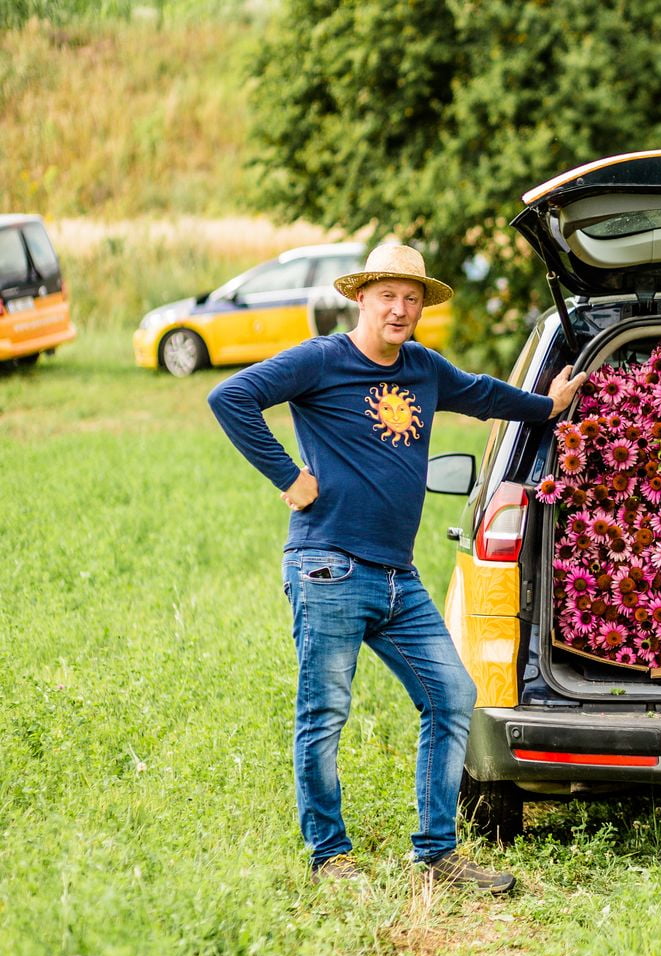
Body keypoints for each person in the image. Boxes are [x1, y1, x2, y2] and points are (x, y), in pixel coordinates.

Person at [209, 243, 587, 892]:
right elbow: (231, 397)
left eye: (412, 297)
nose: (401, 308)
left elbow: (485, 395)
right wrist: (288, 477)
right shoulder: (322, 360)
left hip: (397, 577)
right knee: (324, 713)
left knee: (453, 695)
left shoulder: (423, 368)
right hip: (327, 566)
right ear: (362, 298)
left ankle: (436, 853)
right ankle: (329, 856)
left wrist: (546, 407)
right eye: (388, 294)